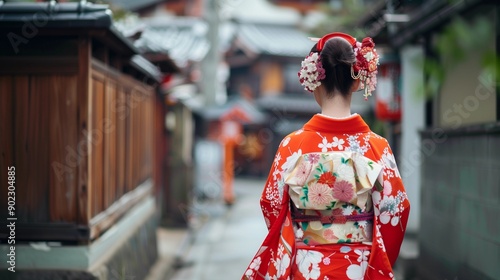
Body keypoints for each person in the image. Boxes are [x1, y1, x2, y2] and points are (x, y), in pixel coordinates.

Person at [242, 32, 410, 280]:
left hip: (306, 266)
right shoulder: (377, 147)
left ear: (313, 81)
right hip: (360, 266)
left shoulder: (292, 145)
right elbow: (395, 211)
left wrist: (300, 235)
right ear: (356, 81)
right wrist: (378, 260)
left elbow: (271, 204)